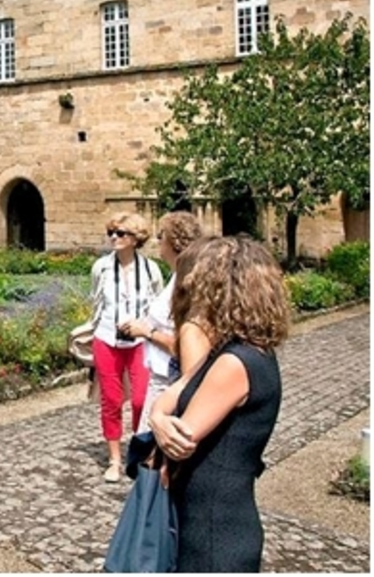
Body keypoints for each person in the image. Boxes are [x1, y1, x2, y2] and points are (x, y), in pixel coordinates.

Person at [148, 236, 289, 572]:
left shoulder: (234, 363)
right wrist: (156, 416)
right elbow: (178, 389)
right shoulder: (241, 351)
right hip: (217, 515)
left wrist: (163, 428)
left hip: (212, 527)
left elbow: (179, 442)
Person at [88, 212, 164, 482]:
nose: (113, 238)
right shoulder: (102, 267)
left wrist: (147, 328)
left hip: (140, 342)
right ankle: (114, 459)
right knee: (111, 399)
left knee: (143, 399)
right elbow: (96, 300)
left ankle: (140, 450)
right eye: (111, 232)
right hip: (107, 338)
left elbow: (158, 305)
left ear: (135, 239)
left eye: (120, 234)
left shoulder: (150, 269)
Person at [117, 211, 205, 431]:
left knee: (148, 447)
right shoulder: (177, 275)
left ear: (172, 242)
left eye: (160, 236)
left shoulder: (186, 282)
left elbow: (185, 345)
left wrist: (146, 332)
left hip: (171, 378)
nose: (157, 243)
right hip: (160, 374)